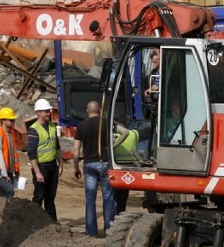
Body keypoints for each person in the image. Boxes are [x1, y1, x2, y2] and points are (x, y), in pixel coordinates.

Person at [72, 100, 116, 236]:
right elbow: (120, 135)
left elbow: (75, 150)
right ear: (100, 109)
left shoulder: (81, 126)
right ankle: (109, 230)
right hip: (104, 164)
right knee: (108, 198)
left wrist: (76, 167)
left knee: (90, 199)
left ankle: (91, 232)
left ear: (87, 110)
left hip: (89, 165)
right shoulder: (106, 124)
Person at [27, 98, 62, 221]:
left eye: (48, 111)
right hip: (41, 166)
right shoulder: (33, 129)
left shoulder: (52, 126)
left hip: (52, 166)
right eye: (45, 111)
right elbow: (31, 153)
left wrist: (60, 163)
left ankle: (52, 222)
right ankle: (34, 222)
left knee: (50, 197)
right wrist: (37, 172)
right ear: (38, 113)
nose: (48, 113)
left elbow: (57, 146)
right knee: (39, 196)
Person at [0, 107, 21, 197]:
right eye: (11, 120)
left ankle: (1, 210)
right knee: (9, 191)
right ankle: (7, 210)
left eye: (13, 120)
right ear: (3, 121)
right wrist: (4, 173)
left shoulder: (11, 135)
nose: (13, 122)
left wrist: (16, 171)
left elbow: (13, 156)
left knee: (3, 194)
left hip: (8, 169)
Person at [112, 118, 141, 213]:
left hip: (116, 166)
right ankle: (121, 211)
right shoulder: (134, 134)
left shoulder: (113, 135)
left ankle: (115, 213)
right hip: (130, 167)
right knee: (124, 195)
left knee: (115, 194)